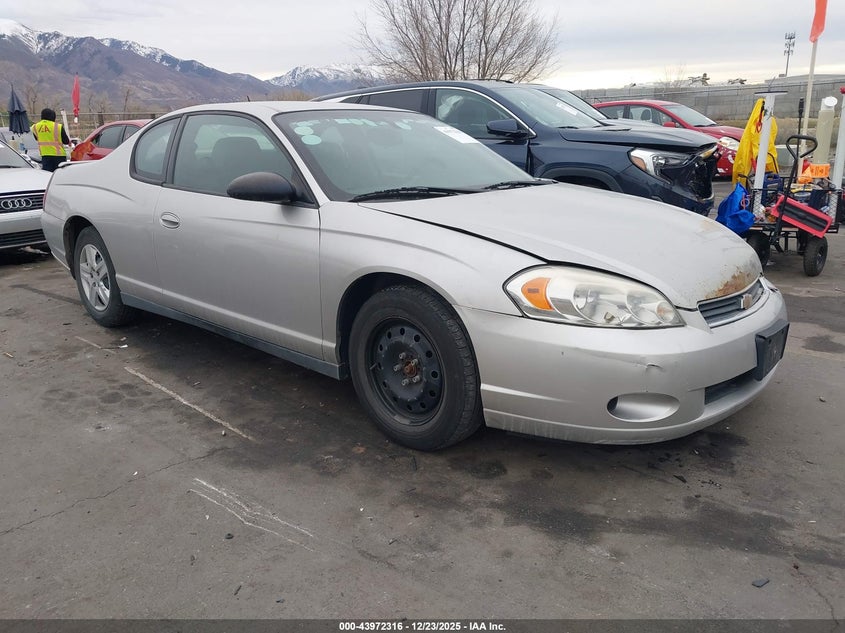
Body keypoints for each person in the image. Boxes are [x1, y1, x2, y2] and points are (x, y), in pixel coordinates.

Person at [31, 108, 70, 172]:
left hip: (45, 156)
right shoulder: (58, 126)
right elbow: (66, 141)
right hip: (59, 156)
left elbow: (37, 138)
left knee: (47, 176)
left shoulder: (35, 127)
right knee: (59, 175)